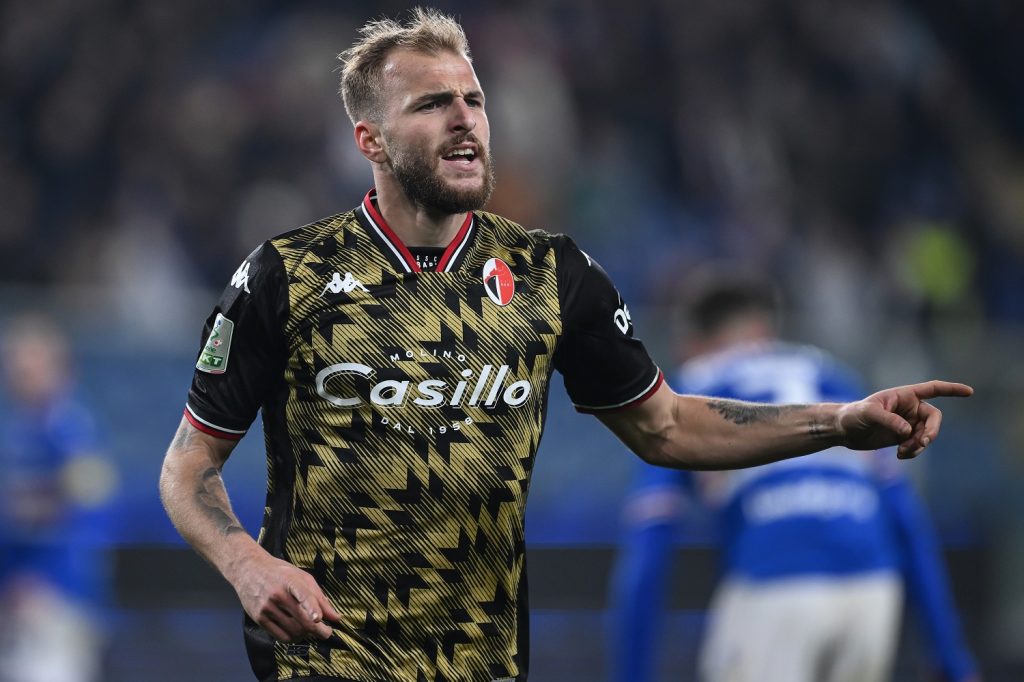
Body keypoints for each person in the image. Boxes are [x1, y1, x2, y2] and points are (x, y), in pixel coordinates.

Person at [157, 8, 973, 682]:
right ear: (370, 141)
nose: (466, 119)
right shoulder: (286, 275)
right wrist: (247, 565)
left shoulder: (553, 275)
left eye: (474, 99)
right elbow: (188, 469)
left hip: (485, 662)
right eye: (432, 104)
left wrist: (839, 423)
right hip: (326, 659)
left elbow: (667, 427)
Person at [608, 273, 980, 682]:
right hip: (873, 588)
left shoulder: (691, 388)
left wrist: (631, 674)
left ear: (690, 344)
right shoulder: (835, 378)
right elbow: (907, 521)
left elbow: (649, 544)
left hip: (774, 583)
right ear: (763, 328)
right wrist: (952, 658)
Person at [0, 315, 116, 682]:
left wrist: (42, 580)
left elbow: (88, 496)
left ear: (59, 369)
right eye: (15, 367)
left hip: (58, 593)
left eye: (31, 367)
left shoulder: (69, 426)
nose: (20, 376)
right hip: (19, 592)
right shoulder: (20, 426)